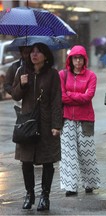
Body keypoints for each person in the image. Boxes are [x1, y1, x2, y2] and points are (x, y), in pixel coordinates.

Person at [11, 43, 62, 211]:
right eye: (32, 51)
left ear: (46, 56)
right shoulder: (23, 71)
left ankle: (45, 197)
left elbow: (56, 101)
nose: (34, 54)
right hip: (27, 123)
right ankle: (29, 194)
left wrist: (56, 125)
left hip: (46, 124)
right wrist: (22, 84)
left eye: (38, 52)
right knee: (26, 161)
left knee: (48, 161)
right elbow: (15, 95)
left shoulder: (53, 75)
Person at [59, 45, 100, 197]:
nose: (77, 61)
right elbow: (61, 96)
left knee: (86, 153)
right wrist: (77, 96)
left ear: (85, 60)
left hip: (86, 119)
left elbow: (88, 97)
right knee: (68, 155)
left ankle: (90, 184)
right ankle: (70, 186)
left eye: (80, 58)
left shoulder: (91, 76)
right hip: (67, 119)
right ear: (70, 60)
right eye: (75, 58)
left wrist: (71, 95)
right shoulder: (62, 75)